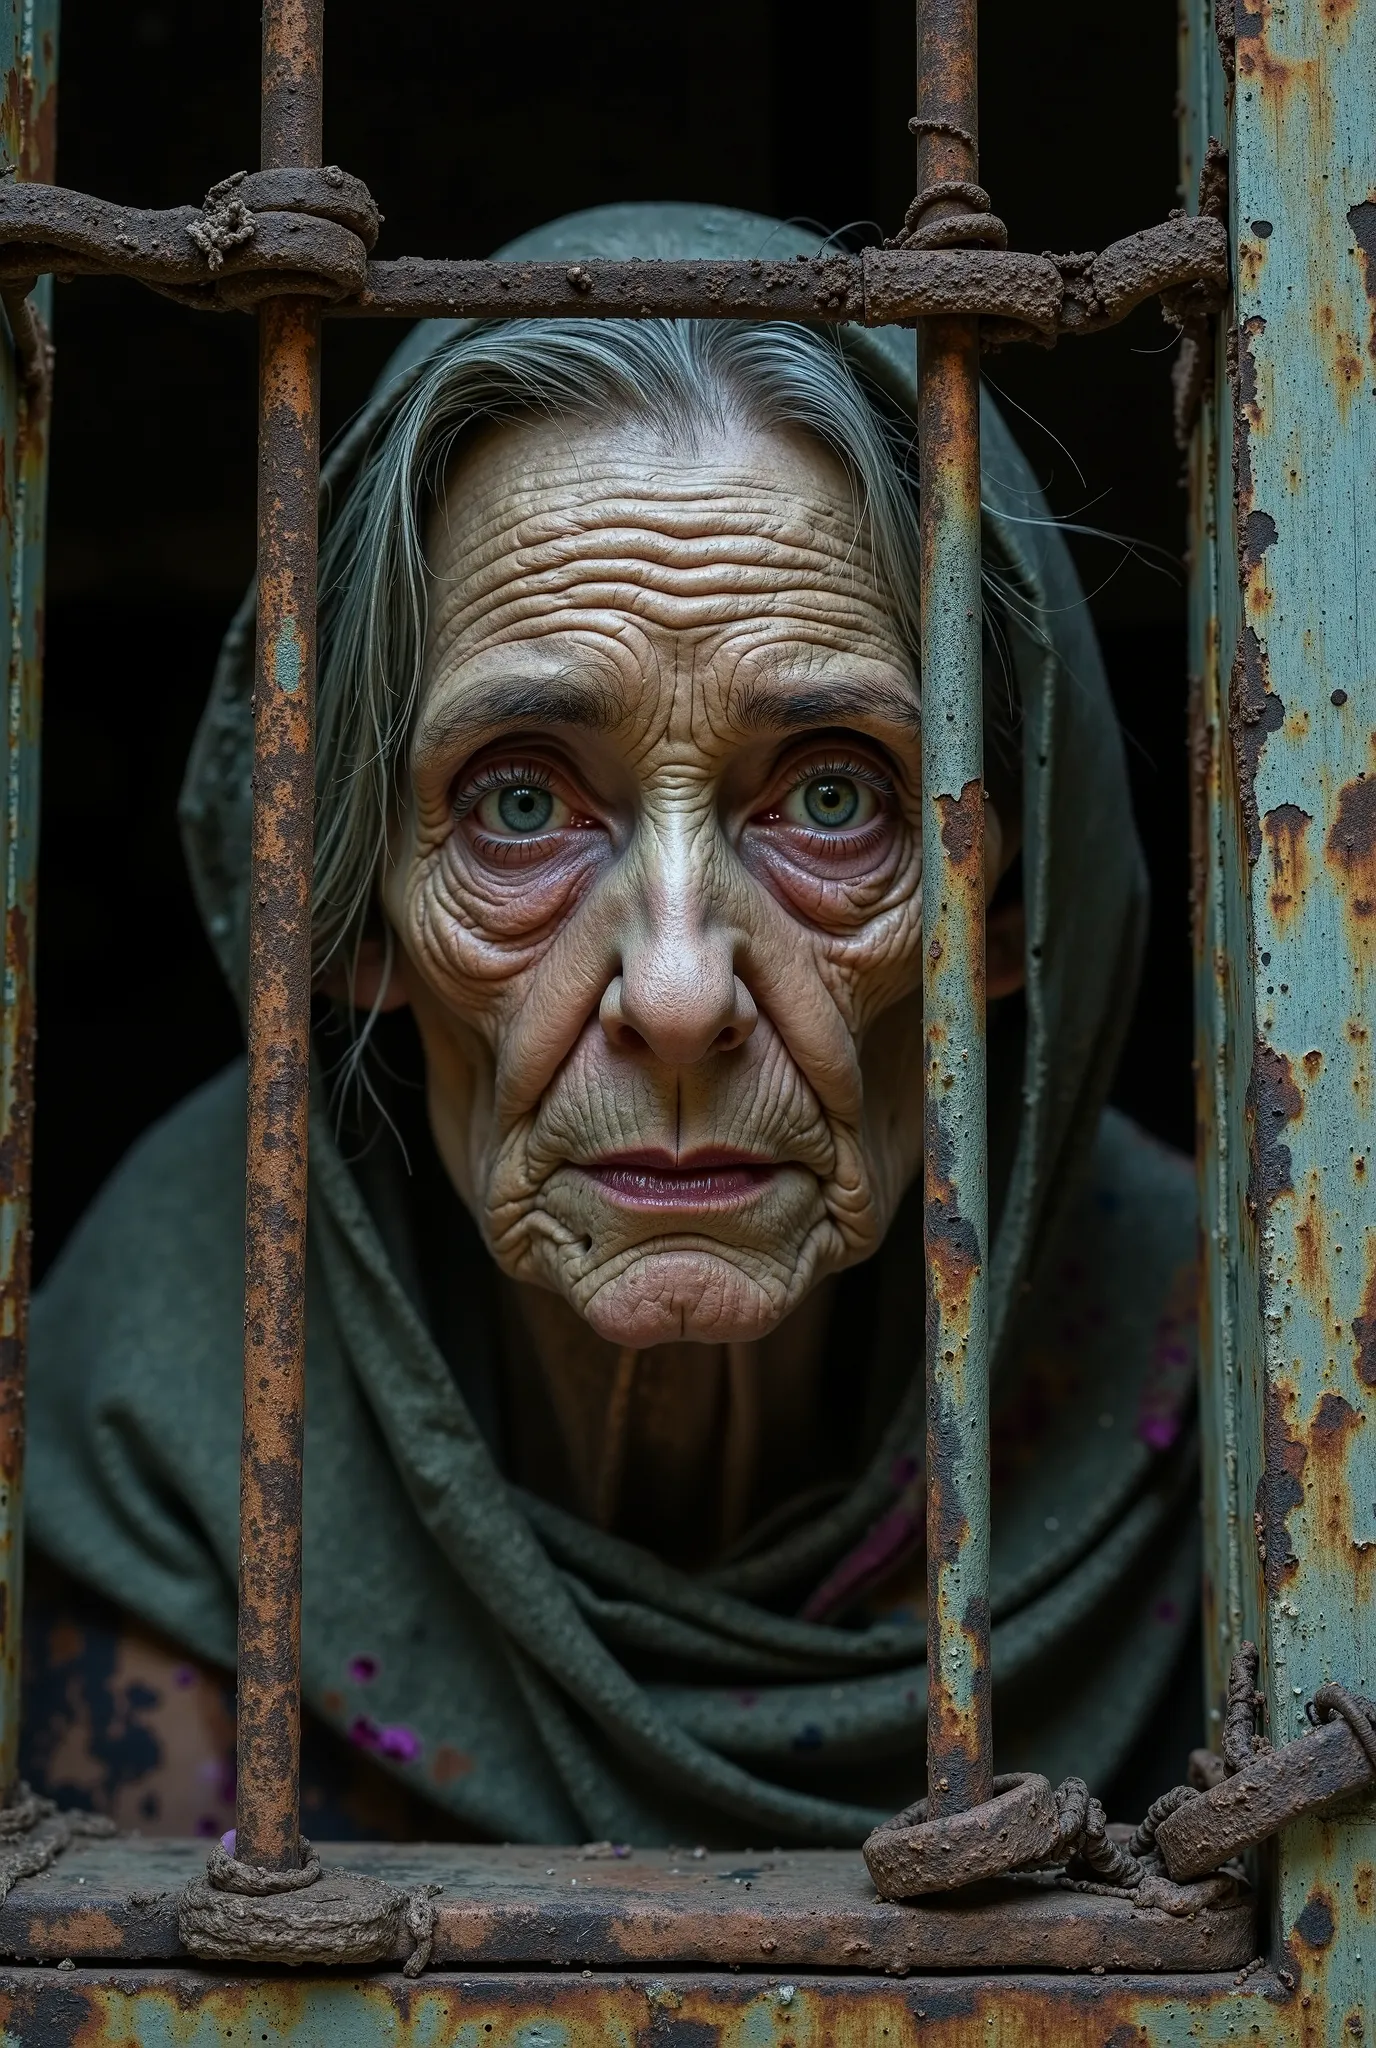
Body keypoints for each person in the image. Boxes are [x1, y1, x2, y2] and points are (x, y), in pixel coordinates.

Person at [23, 205, 1201, 1844]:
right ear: (348, 908)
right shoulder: (171, 1431)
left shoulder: (1259, 1397)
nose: (672, 992)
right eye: (518, 803)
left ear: (1011, 908)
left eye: (838, 797)